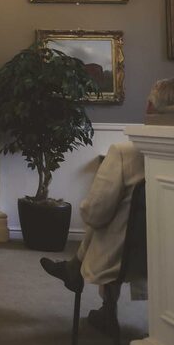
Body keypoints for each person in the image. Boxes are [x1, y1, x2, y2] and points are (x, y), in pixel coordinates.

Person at [40, 141, 145, 331]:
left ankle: (102, 303)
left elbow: (94, 213)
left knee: (103, 217)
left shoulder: (125, 153)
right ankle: (73, 267)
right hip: (161, 258)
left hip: (121, 258)